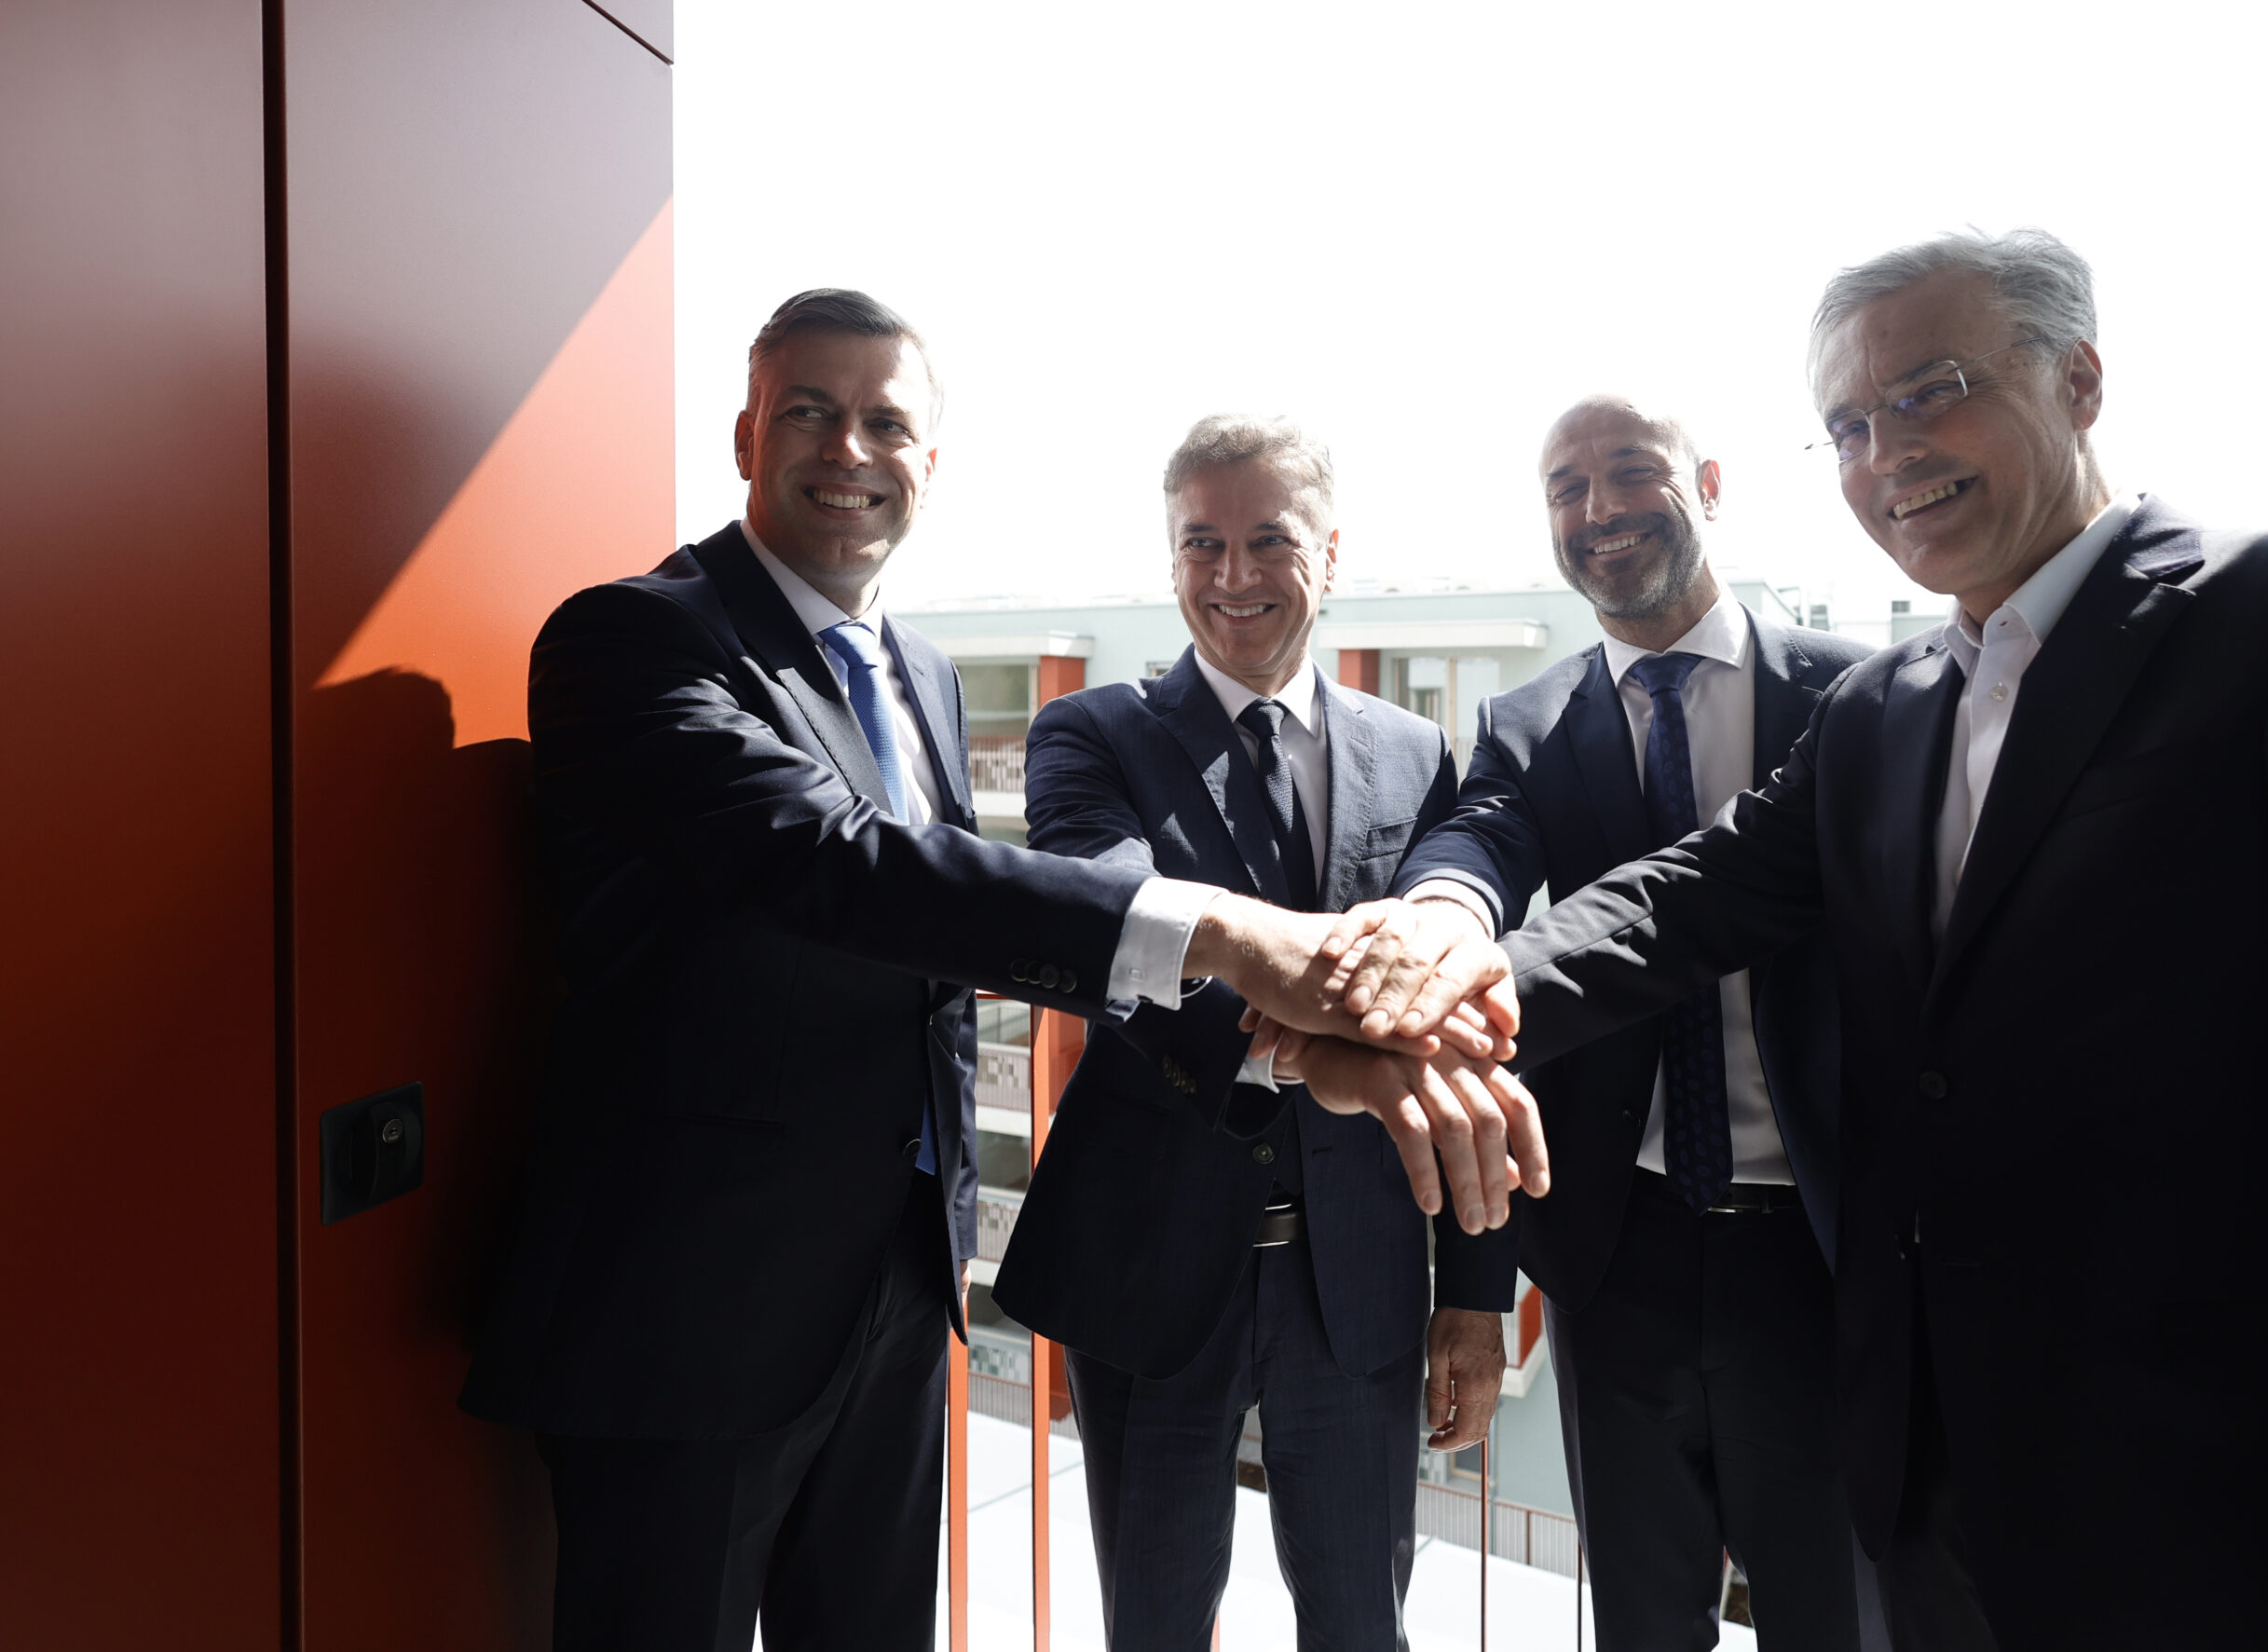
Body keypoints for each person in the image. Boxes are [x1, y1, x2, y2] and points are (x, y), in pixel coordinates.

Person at [1298, 229, 2268, 1648]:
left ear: (2079, 379)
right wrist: (1441, 983)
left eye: (1931, 392)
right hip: (1927, 1461)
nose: (1890, 453)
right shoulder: (1885, 707)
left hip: (2223, 1476)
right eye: (1851, 425)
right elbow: (1684, 900)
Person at [456, 290, 1535, 1652]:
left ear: (929, 460)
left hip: (904, 1295)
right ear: (743, 436)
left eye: (885, 422)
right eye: (810, 412)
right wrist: (1236, 938)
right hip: (697, 1308)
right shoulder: (632, 638)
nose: (850, 449)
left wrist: (1456, 1256)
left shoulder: (918, 668)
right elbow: (845, 867)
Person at [994, 416, 1519, 1651]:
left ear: (1329, 554)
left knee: (1364, 1625)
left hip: (1361, 1278)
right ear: (1172, 556)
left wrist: (1476, 1296)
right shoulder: (1092, 735)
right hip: (1155, 1264)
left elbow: (1461, 1029)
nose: (1233, 574)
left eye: (1268, 540)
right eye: (1202, 543)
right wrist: (1310, 1048)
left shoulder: (1416, 754)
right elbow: (1116, 942)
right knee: (1156, 1626)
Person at [1392, 396, 1876, 1650]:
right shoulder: (1526, 724)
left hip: (1821, 1253)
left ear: (1707, 481)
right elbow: (1478, 842)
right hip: (1618, 1256)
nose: (1598, 509)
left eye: (1628, 471)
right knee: (1641, 1625)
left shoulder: (1855, 693)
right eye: (1567, 487)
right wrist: (1443, 912)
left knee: (1837, 1615)